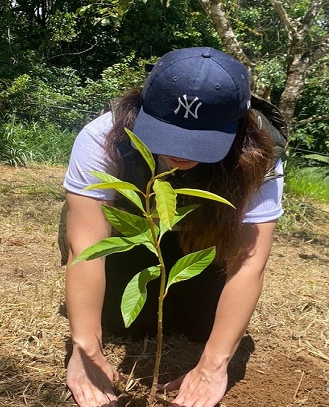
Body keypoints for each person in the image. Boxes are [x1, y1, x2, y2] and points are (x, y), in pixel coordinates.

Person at [60, 46, 284, 407]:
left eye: (201, 140)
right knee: (119, 322)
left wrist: (214, 365)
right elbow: (87, 248)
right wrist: (85, 350)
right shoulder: (104, 135)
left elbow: (248, 262)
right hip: (128, 234)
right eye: (167, 133)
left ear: (237, 126)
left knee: (200, 326)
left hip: (199, 240)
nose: (181, 152)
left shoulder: (259, 153)